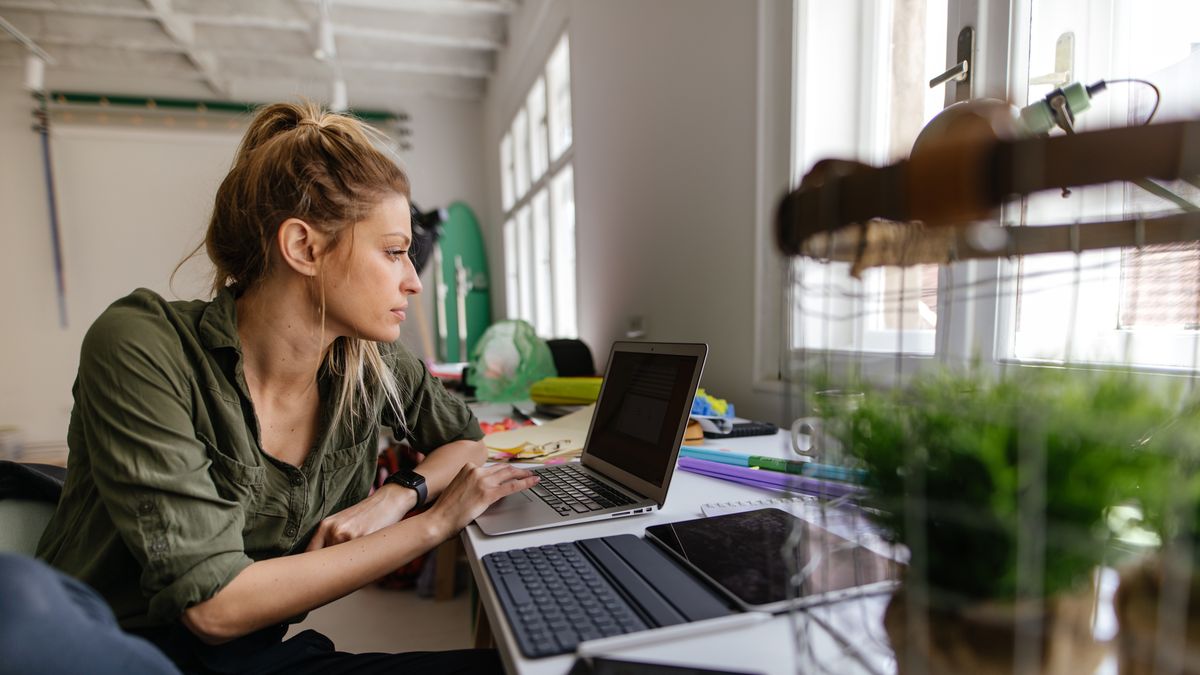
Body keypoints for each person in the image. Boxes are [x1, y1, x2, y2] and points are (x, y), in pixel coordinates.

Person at [30, 101, 538, 674]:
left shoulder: (367, 362)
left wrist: (396, 497)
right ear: (304, 247)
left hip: (248, 657)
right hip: (110, 655)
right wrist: (435, 524)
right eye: (395, 252)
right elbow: (215, 607)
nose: (413, 281)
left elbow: (466, 442)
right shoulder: (141, 344)